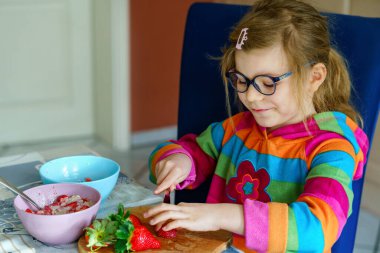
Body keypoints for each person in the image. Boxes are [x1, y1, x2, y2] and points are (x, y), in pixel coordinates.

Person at [143, 0, 369, 252]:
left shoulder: (333, 149)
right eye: (241, 79)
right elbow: (189, 150)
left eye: (268, 82)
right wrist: (177, 162)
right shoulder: (237, 129)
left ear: (313, 77)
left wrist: (219, 216)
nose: (250, 96)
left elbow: (316, 229)